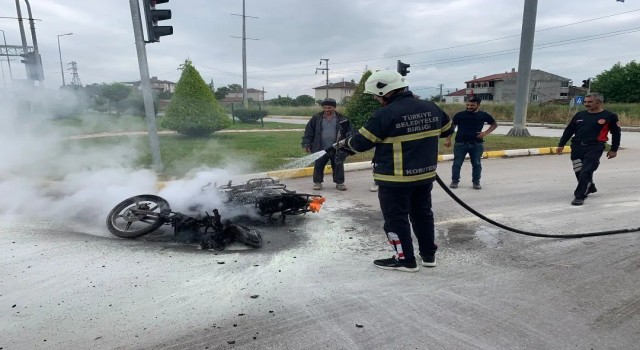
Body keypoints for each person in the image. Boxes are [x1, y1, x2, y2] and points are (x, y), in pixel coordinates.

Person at [338, 70, 453, 272]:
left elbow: (361, 143)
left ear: (386, 91)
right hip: (424, 175)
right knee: (423, 215)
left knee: (396, 220)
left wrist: (344, 143)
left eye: (376, 94)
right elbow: (447, 130)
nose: (375, 98)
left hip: (394, 179)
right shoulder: (430, 107)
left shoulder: (385, 113)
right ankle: (428, 256)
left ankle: (405, 260)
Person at [556, 93, 621, 206]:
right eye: (585, 102)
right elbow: (569, 130)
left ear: (599, 102)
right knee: (579, 171)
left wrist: (614, 149)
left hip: (595, 146)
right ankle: (589, 186)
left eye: (590, 102)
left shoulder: (609, 116)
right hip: (577, 146)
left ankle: (580, 196)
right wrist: (561, 144)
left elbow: (616, 133)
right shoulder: (579, 115)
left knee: (586, 171)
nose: (586, 104)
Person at [444, 97, 498, 190]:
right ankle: (455, 181)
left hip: (477, 144)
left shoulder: (483, 115)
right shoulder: (459, 115)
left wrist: (485, 133)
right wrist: (448, 139)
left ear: (478, 105)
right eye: (468, 105)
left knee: (477, 164)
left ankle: (476, 182)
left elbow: (494, 124)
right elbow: (452, 128)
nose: (469, 107)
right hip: (460, 143)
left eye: (472, 105)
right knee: (457, 163)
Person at [301, 98, 353, 191]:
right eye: (324, 107)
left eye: (329, 107)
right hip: (320, 147)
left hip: (337, 148)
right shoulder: (316, 118)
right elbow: (308, 132)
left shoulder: (342, 118)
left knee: (338, 165)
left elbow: (349, 132)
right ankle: (317, 183)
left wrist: (349, 144)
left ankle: (339, 183)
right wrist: (306, 144)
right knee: (318, 165)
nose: (326, 110)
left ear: (334, 107)